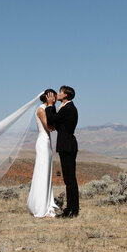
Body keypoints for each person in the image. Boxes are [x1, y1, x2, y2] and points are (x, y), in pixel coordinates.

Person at [45, 85, 78, 217]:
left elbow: (52, 119)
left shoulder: (68, 108)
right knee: (69, 179)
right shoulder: (66, 108)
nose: (57, 94)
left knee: (70, 180)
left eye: (59, 92)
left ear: (65, 95)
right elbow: (58, 124)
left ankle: (72, 210)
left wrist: (49, 105)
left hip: (67, 146)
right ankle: (71, 209)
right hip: (67, 145)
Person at [26, 89, 59, 217]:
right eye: (53, 97)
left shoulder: (46, 109)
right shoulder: (41, 109)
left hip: (47, 141)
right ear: (48, 97)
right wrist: (51, 108)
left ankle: (45, 204)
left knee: (46, 172)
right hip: (43, 142)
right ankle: (41, 207)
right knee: (42, 172)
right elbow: (49, 127)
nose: (55, 100)